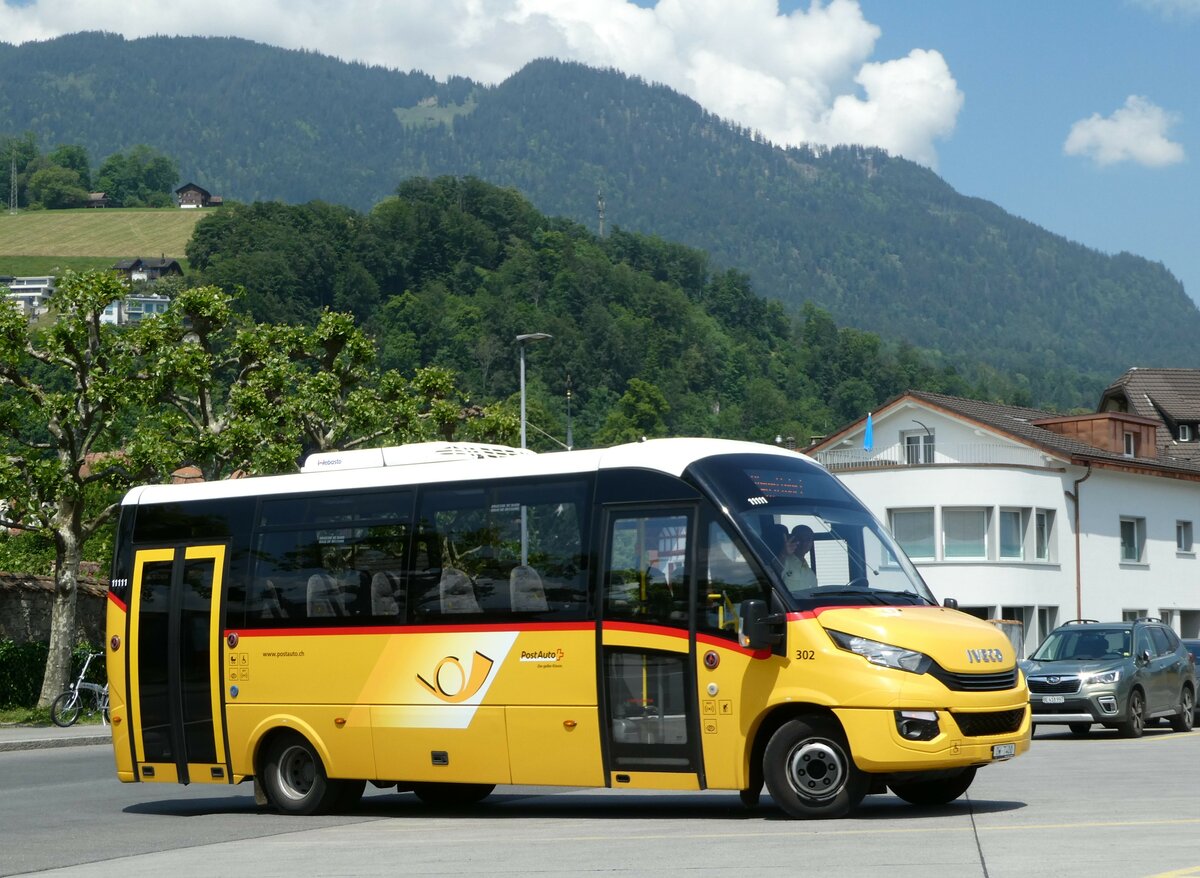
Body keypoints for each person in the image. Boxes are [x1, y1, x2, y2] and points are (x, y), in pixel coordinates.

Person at [782, 525, 817, 590]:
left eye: (808, 539)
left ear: (811, 543)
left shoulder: (811, 575)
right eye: (800, 538)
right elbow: (771, 576)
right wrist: (783, 554)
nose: (804, 542)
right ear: (792, 539)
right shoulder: (783, 561)